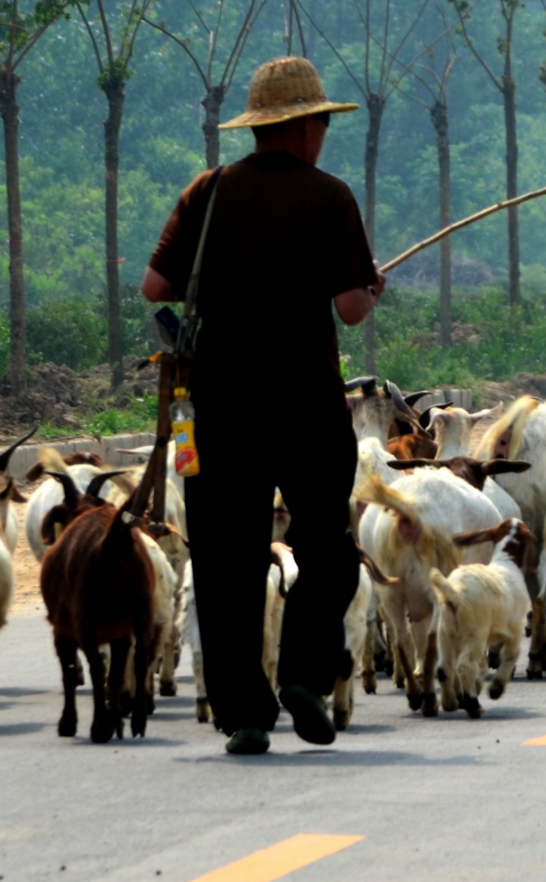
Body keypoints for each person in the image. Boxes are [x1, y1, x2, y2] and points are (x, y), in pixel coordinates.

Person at [141, 56, 385, 756]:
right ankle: (307, 673)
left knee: (225, 559)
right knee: (326, 544)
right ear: (307, 126)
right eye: (322, 124)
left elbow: (155, 286)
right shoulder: (329, 197)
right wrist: (371, 286)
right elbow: (350, 309)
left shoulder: (207, 191)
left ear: (259, 127)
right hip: (307, 406)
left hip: (220, 410)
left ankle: (245, 711)